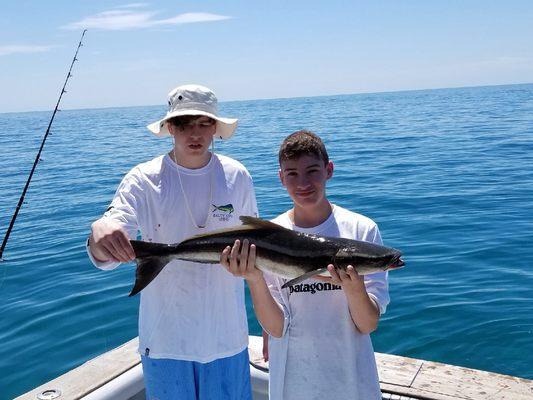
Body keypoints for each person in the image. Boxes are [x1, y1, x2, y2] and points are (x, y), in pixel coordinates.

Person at [87, 84, 257, 400]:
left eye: (204, 122)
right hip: (165, 342)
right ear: (169, 128)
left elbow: (257, 247)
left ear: (216, 127)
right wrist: (100, 230)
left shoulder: (237, 176)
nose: (195, 133)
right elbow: (107, 238)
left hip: (227, 338)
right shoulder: (143, 178)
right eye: (183, 123)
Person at [221, 130, 389, 400]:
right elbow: (276, 328)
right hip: (293, 383)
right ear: (280, 178)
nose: (303, 183)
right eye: (292, 174)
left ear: (329, 170)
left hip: (353, 380)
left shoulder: (361, 230)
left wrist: (354, 288)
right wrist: (253, 278)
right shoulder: (270, 235)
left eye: (312, 171)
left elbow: (367, 324)